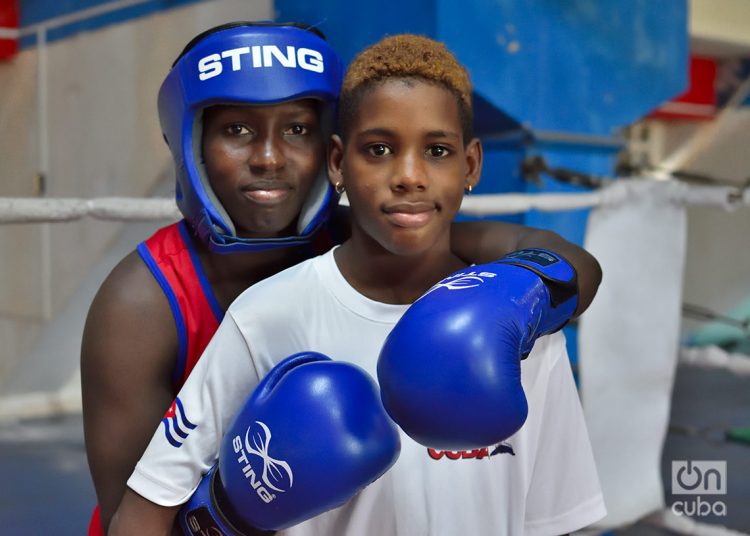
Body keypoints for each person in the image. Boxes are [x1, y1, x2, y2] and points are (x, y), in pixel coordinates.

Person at [108, 33, 606, 535]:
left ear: (471, 164)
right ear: (338, 162)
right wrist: (228, 514)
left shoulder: (526, 329)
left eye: (436, 150)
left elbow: (558, 520)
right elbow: (143, 510)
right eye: (380, 149)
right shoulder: (266, 315)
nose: (409, 175)